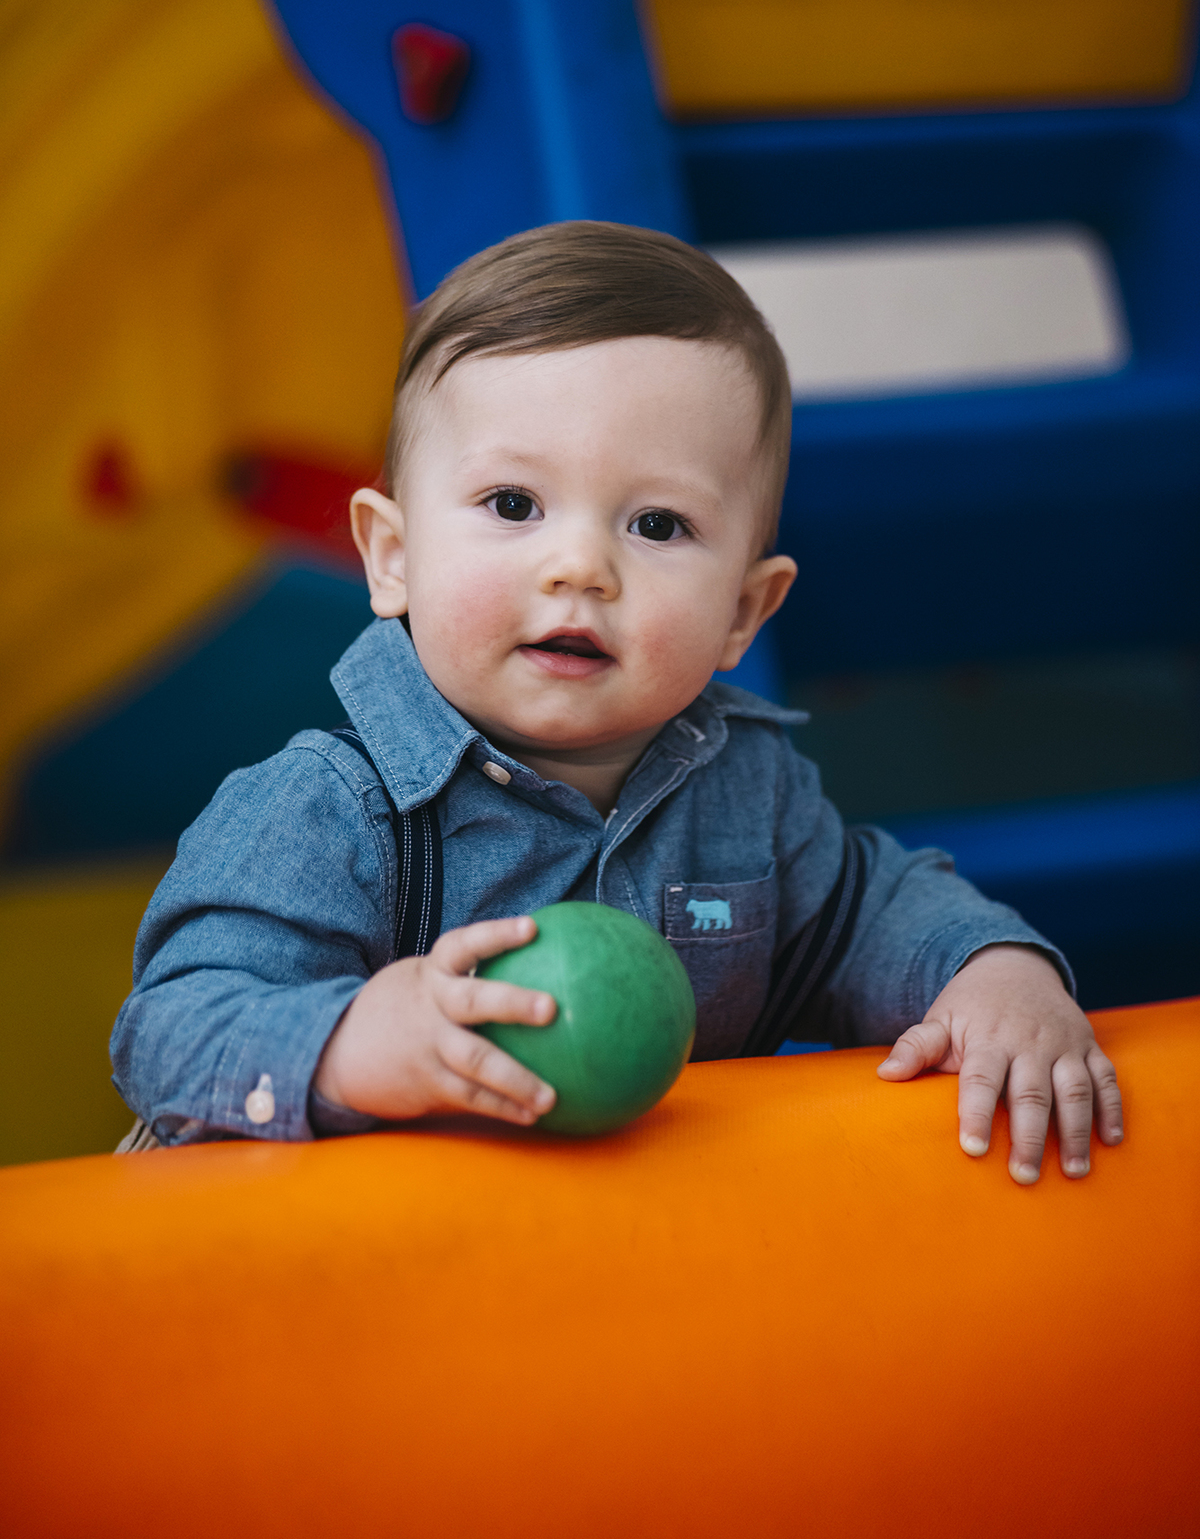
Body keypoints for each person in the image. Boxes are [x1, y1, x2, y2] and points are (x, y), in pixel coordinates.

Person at [111, 221, 1124, 1182]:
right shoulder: (326, 808)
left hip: (614, 1252)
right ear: (393, 557)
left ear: (742, 612)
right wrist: (344, 1044)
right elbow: (167, 1033)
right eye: (514, 504)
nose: (581, 567)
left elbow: (871, 915)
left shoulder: (747, 790)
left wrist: (994, 975)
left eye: (657, 524)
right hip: (337, 1260)